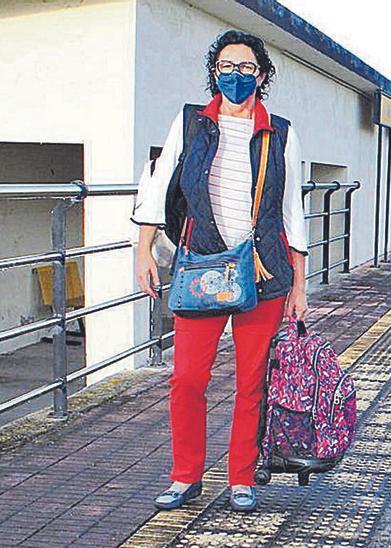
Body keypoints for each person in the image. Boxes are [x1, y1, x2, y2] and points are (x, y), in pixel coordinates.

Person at [130, 30, 309, 513]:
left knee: (252, 381)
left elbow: (290, 210)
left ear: (262, 75)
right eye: (226, 66)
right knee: (187, 378)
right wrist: (144, 251)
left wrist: (299, 284)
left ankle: (241, 478)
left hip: (264, 272)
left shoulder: (282, 133)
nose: (236, 75)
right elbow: (159, 182)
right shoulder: (190, 123)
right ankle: (185, 476)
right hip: (203, 267)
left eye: (247, 68)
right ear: (214, 72)